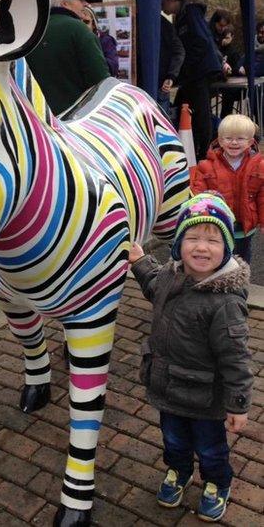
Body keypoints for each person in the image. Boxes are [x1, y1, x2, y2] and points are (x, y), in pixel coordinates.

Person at [128, 192, 253, 523]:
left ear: (226, 247)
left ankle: (217, 482)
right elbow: (155, 285)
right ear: (178, 244)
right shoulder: (172, 274)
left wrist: (238, 404)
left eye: (212, 240)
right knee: (173, 441)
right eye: (192, 238)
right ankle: (178, 472)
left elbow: (236, 359)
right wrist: (140, 261)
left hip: (205, 401)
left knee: (211, 450)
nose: (201, 247)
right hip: (167, 388)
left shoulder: (224, 302)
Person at [26, 0, 110, 115]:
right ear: (65, 3)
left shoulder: (31, 32)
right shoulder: (80, 30)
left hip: (37, 119)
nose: (85, 4)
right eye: (80, 0)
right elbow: (101, 82)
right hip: (75, 121)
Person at [191, 114, 264, 263]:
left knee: (242, 259)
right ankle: (216, 283)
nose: (234, 142)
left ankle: (240, 283)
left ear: (250, 141)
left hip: (245, 228)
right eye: (228, 138)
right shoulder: (206, 166)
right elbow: (198, 196)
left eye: (240, 138)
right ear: (220, 140)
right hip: (217, 225)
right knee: (217, 258)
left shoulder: (259, 166)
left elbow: (262, 197)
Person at [162, 0, 222, 160]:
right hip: (192, 74)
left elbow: (201, 42)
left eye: (163, 3)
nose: (162, 8)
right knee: (185, 107)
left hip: (200, 71)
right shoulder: (180, 17)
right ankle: (192, 147)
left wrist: (186, 66)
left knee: (201, 113)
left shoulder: (190, 13)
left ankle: (205, 153)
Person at [132, 0, 185, 117]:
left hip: (156, 85)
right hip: (150, 84)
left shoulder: (161, 24)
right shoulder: (160, 23)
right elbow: (179, 51)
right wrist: (171, 76)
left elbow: (178, 51)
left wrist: (171, 76)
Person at [82, 6, 119, 77]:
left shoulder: (105, 40)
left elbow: (113, 68)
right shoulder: (71, 39)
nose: (82, 25)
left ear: (93, 25)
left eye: (86, 22)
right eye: (78, 21)